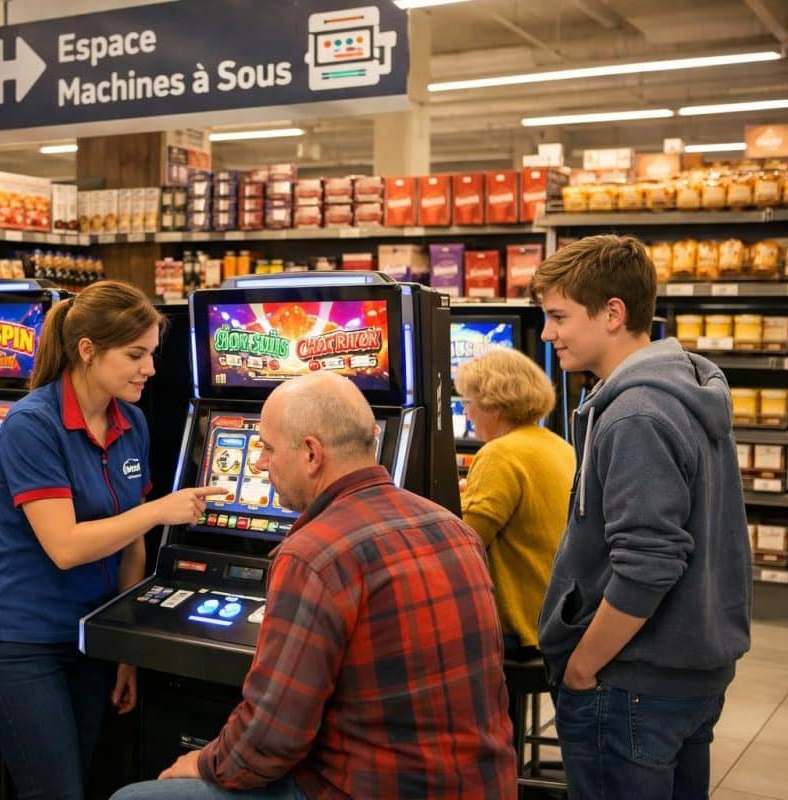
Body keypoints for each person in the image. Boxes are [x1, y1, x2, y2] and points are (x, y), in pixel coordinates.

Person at [111, 371, 516, 800]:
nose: (258, 464)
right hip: (483, 785)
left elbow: (271, 740)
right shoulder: (454, 528)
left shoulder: (313, 554)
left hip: (368, 787)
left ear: (311, 454)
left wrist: (200, 762)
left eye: (267, 448)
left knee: (133, 798)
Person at [0, 280, 225, 800]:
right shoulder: (31, 424)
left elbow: (132, 546)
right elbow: (65, 546)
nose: (150, 369)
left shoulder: (132, 420)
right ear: (87, 350)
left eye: (151, 354)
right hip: (22, 639)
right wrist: (157, 511)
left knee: (86, 779)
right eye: (135, 355)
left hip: (91, 635)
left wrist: (125, 649)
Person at [532, 234, 751, 799]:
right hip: (686, 674)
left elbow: (650, 562)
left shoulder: (636, 413)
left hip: (631, 681)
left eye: (559, 316)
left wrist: (583, 665)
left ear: (612, 314)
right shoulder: (684, 388)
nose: (547, 333)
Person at [455, 347, 575, 660]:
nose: (466, 413)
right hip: (557, 617)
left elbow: (465, 543)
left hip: (518, 630)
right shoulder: (558, 446)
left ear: (493, 405)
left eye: (468, 402)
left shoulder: (499, 453)